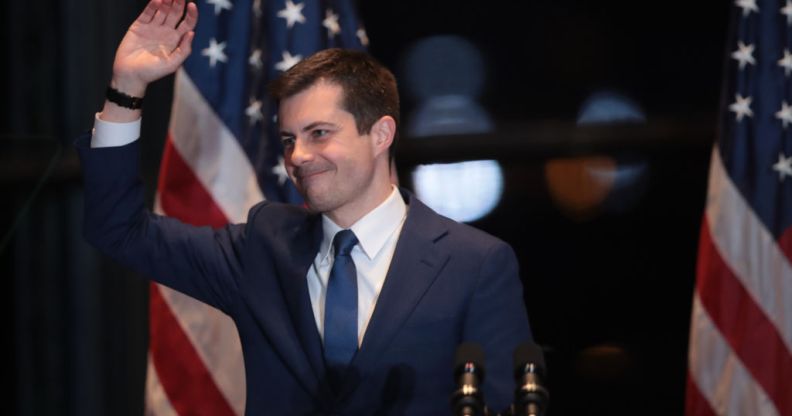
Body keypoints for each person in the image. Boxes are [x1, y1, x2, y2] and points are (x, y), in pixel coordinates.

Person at [77, 0, 532, 414]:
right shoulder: (262, 248)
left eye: (319, 134)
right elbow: (118, 228)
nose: (297, 157)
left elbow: (504, 402)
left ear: (380, 134)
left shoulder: (475, 263)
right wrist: (126, 87)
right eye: (289, 140)